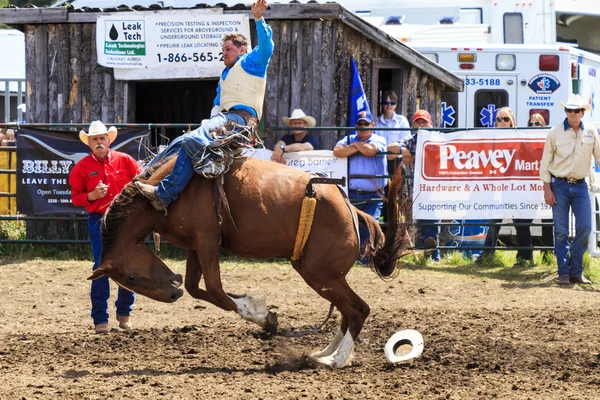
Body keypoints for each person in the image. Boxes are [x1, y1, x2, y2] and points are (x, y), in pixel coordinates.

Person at [136, 0, 273, 211]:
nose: (224, 53)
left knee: (191, 139)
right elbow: (217, 107)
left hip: (241, 120)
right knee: (179, 142)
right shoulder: (225, 75)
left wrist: (259, 19)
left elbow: (267, 47)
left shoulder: (251, 61)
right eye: (223, 49)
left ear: (242, 49)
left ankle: (166, 193)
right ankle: (144, 176)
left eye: (228, 49)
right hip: (225, 119)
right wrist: (208, 124)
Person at [69, 121, 141, 334]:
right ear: (89, 143)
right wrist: (91, 196)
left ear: (108, 141)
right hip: (99, 219)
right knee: (102, 267)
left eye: (102, 138)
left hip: (127, 221)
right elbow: (75, 198)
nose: (99, 142)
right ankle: (101, 319)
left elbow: (140, 184)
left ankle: (124, 314)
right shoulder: (81, 168)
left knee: (128, 266)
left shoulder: (126, 161)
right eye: (95, 139)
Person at [540, 94, 600, 285]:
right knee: (561, 230)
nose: (572, 114)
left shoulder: (591, 132)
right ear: (565, 111)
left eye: (576, 110)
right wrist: (547, 188)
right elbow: (545, 163)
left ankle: (576, 271)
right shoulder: (554, 132)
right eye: (569, 110)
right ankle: (563, 272)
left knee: (585, 227)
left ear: (582, 112)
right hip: (559, 185)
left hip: (581, 185)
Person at [479, 106, 534, 266]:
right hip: (497, 187)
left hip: (515, 186)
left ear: (512, 122)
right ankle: (487, 255)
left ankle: (525, 257)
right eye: (499, 119)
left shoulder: (519, 138)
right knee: (494, 221)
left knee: (521, 222)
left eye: (505, 119)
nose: (502, 122)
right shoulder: (490, 139)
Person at [333, 111, 387, 253]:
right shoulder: (349, 138)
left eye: (366, 124)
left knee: (370, 225)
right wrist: (359, 146)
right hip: (353, 192)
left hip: (374, 193)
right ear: (356, 126)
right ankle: (356, 256)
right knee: (352, 225)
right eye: (360, 124)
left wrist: (355, 145)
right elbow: (337, 151)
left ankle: (365, 257)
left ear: (373, 125)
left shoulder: (379, 139)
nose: (363, 127)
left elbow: (370, 151)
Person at [393, 110, 440, 261]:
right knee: (416, 221)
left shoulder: (438, 140)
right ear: (413, 124)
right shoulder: (410, 140)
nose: (421, 125)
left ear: (430, 124)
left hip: (433, 189)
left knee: (431, 221)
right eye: (418, 122)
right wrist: (403, 150)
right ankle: (423, 253)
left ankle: (432, 254)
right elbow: (391, 147)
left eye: (424, 122)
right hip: (413, 188)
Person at [528, 113, 554, 262]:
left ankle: (548, 256)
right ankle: (525, 256)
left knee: (547, 222)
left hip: (545, 185)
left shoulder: (548, 142)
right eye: (531, 124)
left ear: (543, 126)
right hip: (528, 188)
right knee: (523, 221)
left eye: (537, 124)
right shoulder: (523, 142)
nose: (533, 126)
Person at [376, 90, 411, 167]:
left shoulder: (402, 121)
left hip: (397, 161)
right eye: (386, 103)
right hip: (379, 160)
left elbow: (406, 141)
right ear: (382, 104)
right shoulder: (375, 121)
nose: (389, 105)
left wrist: (395, 153)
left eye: (392, 103)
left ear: (396, 105)